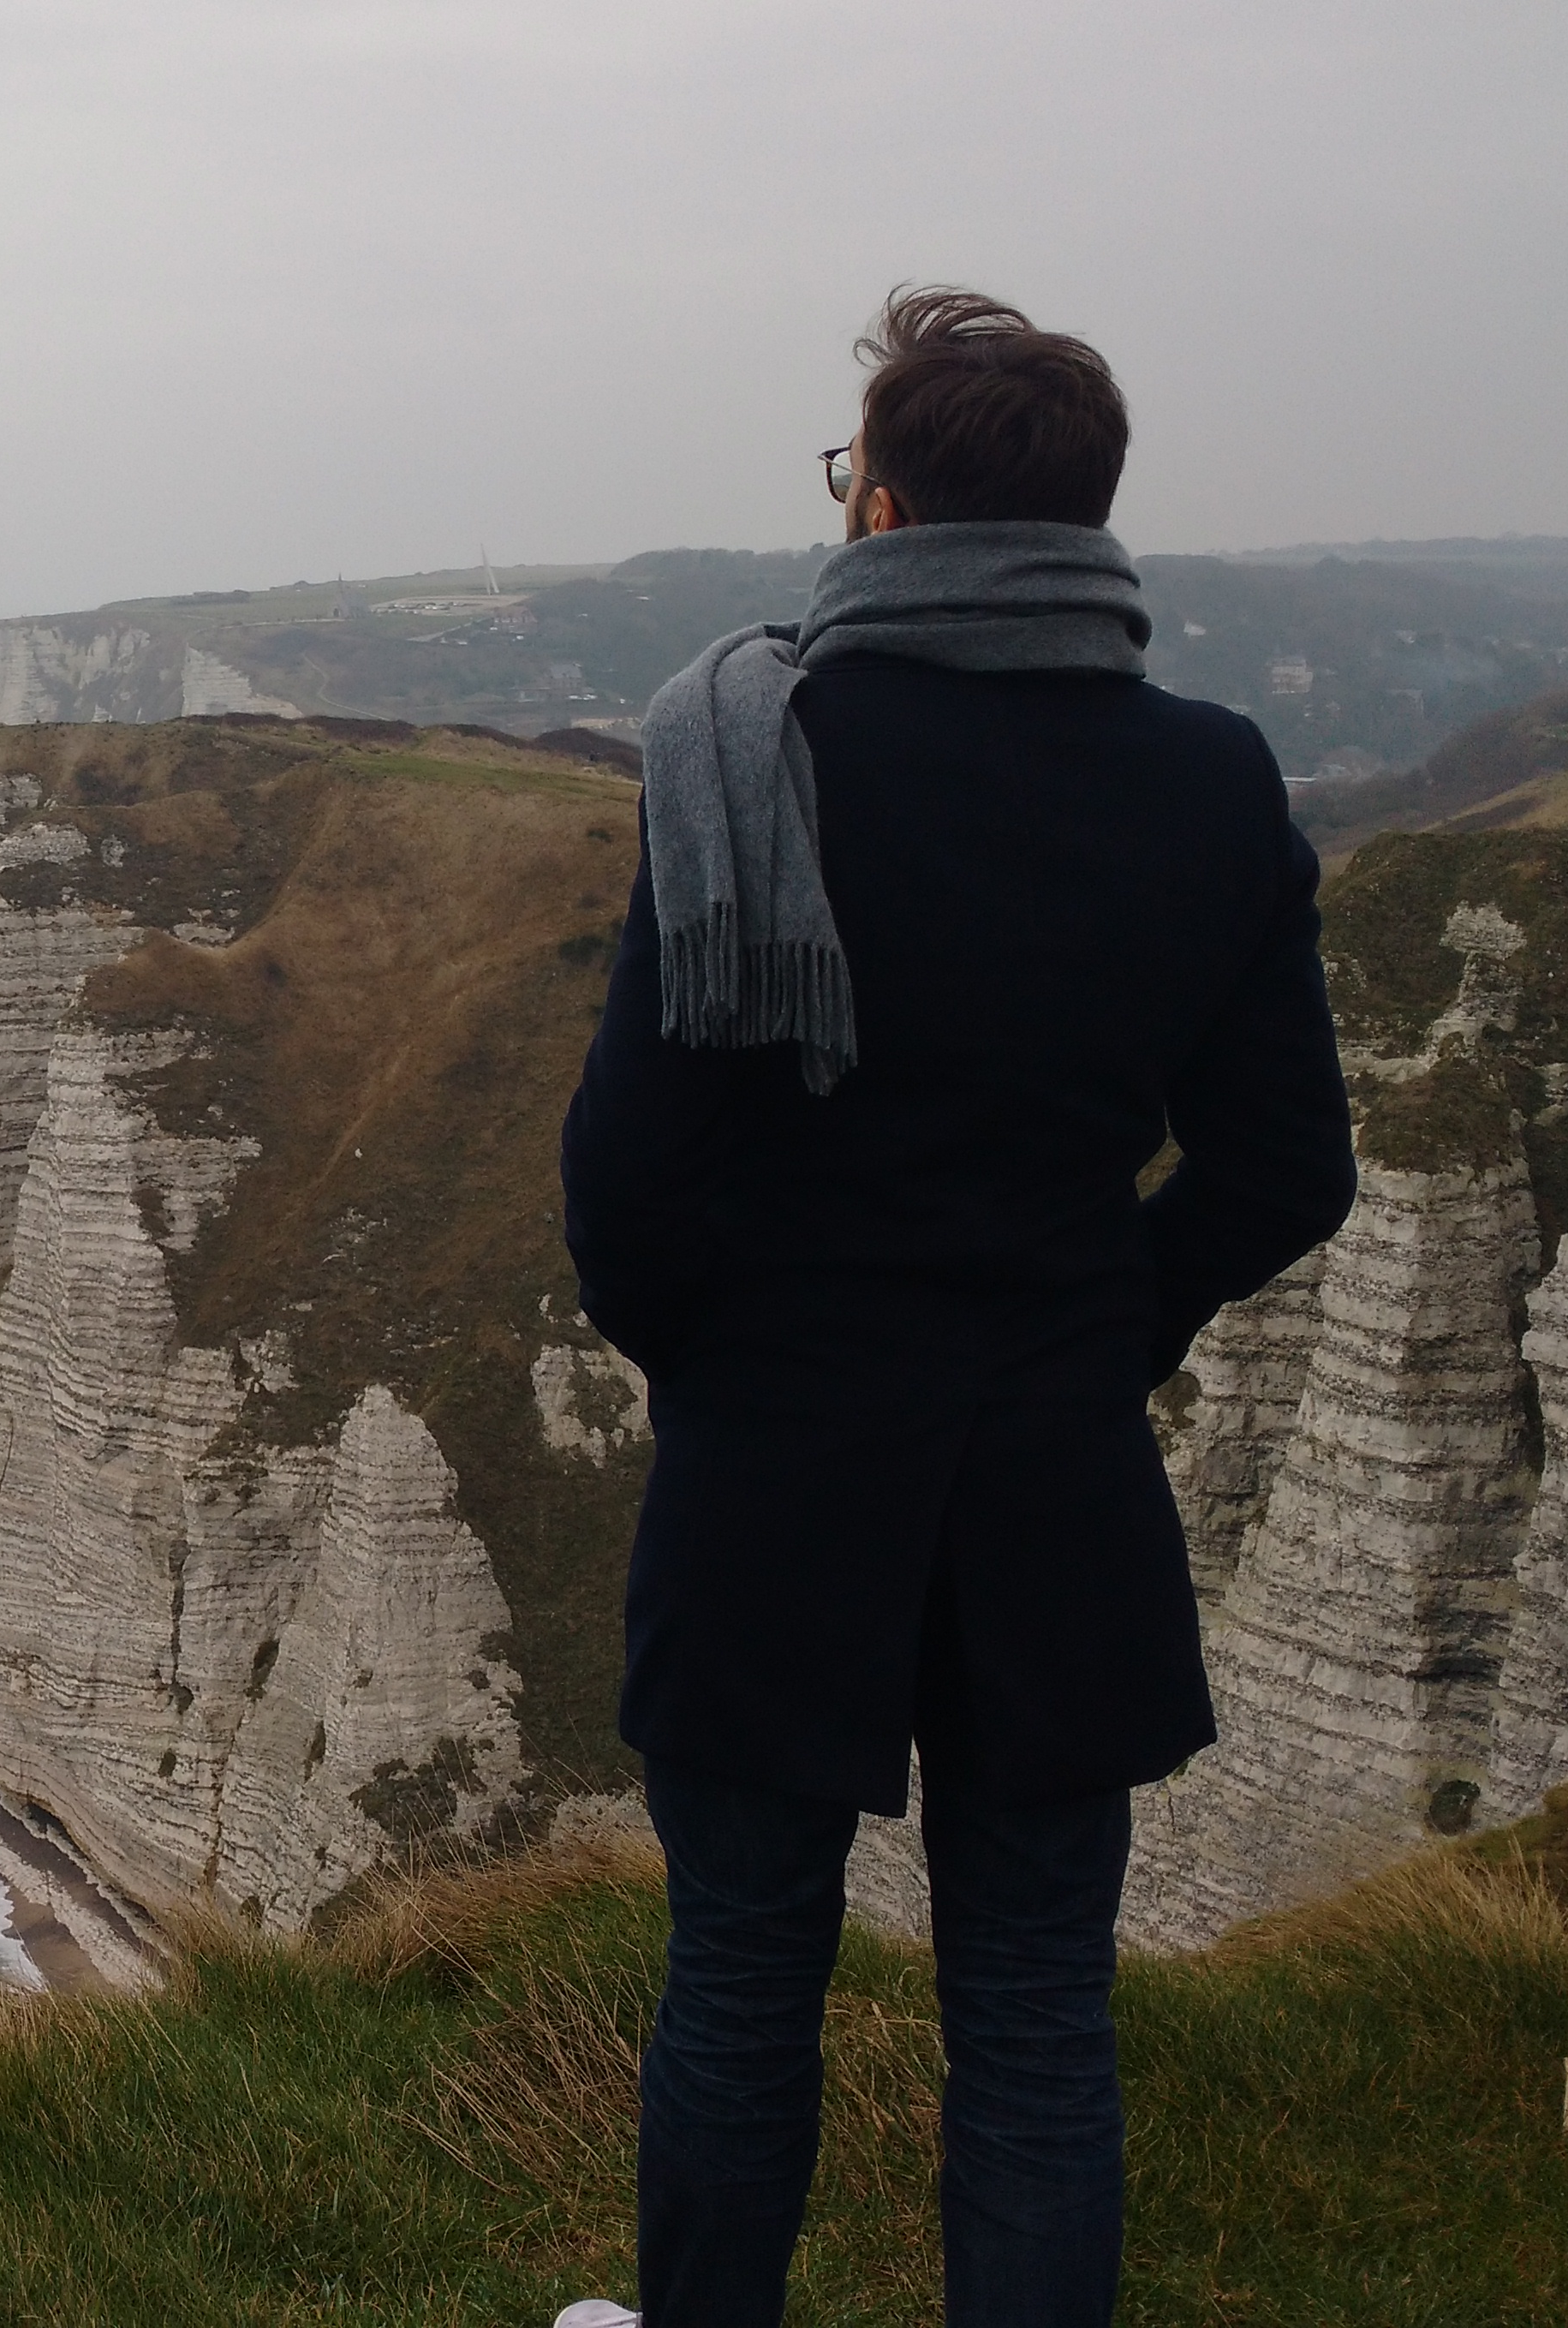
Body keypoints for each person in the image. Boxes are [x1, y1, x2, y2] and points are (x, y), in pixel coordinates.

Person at [543, 289, 1359, 2328]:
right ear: (1088, 518)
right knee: (1029, 2016)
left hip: (777, 1467)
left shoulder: (750, 751)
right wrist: (1103, 1322)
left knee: (738, 1977)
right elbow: (1282, 1173)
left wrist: (724, 1366)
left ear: (881, 504)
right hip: (1049, 1473)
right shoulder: (1210, 780)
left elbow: (628, 1184)